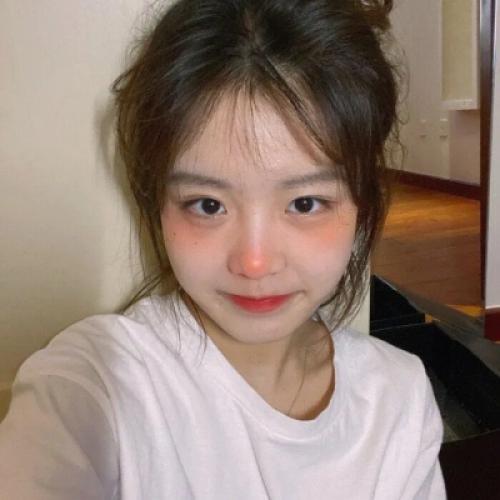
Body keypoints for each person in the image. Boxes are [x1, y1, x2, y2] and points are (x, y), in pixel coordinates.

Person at [0, 0, 446, 498]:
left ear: (363, 202)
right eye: (208, 205)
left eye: (304, 203)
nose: (254, 263)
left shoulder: (399, 400)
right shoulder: (94, 387)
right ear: (158, 203)